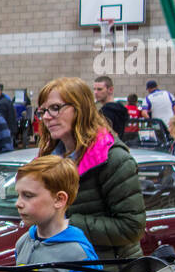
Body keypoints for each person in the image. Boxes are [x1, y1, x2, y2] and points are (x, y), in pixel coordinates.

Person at [37, 76, 146, 260]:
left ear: (80, 109)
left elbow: (132, 227)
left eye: (56, 108)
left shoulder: (113, 158)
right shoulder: (48, 158)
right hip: (66, 266)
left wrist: (67, 224)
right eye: (43, 111)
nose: (47, 117)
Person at [13, 155, 99, 271]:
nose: (18, 203)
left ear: (59, 199)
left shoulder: (79, 255)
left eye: (28, 196)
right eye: (18, 195)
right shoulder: (23, 243)